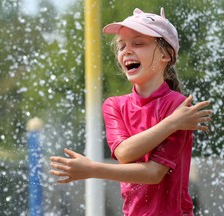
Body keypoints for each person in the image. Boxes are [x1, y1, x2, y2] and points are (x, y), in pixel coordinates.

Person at [50, 7, 212, 216]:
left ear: (165, 54)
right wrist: (172, 123)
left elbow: (154, 174)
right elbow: (124, 152)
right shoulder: (114, 105)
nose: (126, 51)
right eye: (121, 45)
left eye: (138, 43)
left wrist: (92, 169)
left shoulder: (178, 106)